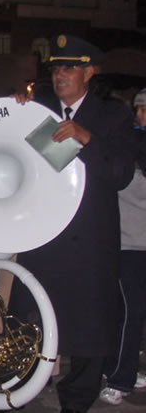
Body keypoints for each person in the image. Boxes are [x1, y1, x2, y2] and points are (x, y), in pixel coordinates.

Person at [11, 35, 135, 413]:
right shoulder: (39, 109)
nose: (59, 75)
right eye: (55, 68)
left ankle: (77, 397)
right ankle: (17, 389)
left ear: (89, 72)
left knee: (87, 322)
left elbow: (120, 175)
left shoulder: (112, 115)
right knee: (29, 316)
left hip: (89, 240)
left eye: (69, 68)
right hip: (43, 236)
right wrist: (12, 113)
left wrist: (86, 138)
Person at [99, 88, 146, 405]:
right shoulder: (128, 144)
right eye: (138, 109)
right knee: (128, 311)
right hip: (127, 242)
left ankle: (121, 370)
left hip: (140, 241)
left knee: (131, 312)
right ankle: (119, 375)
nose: (141, 116)